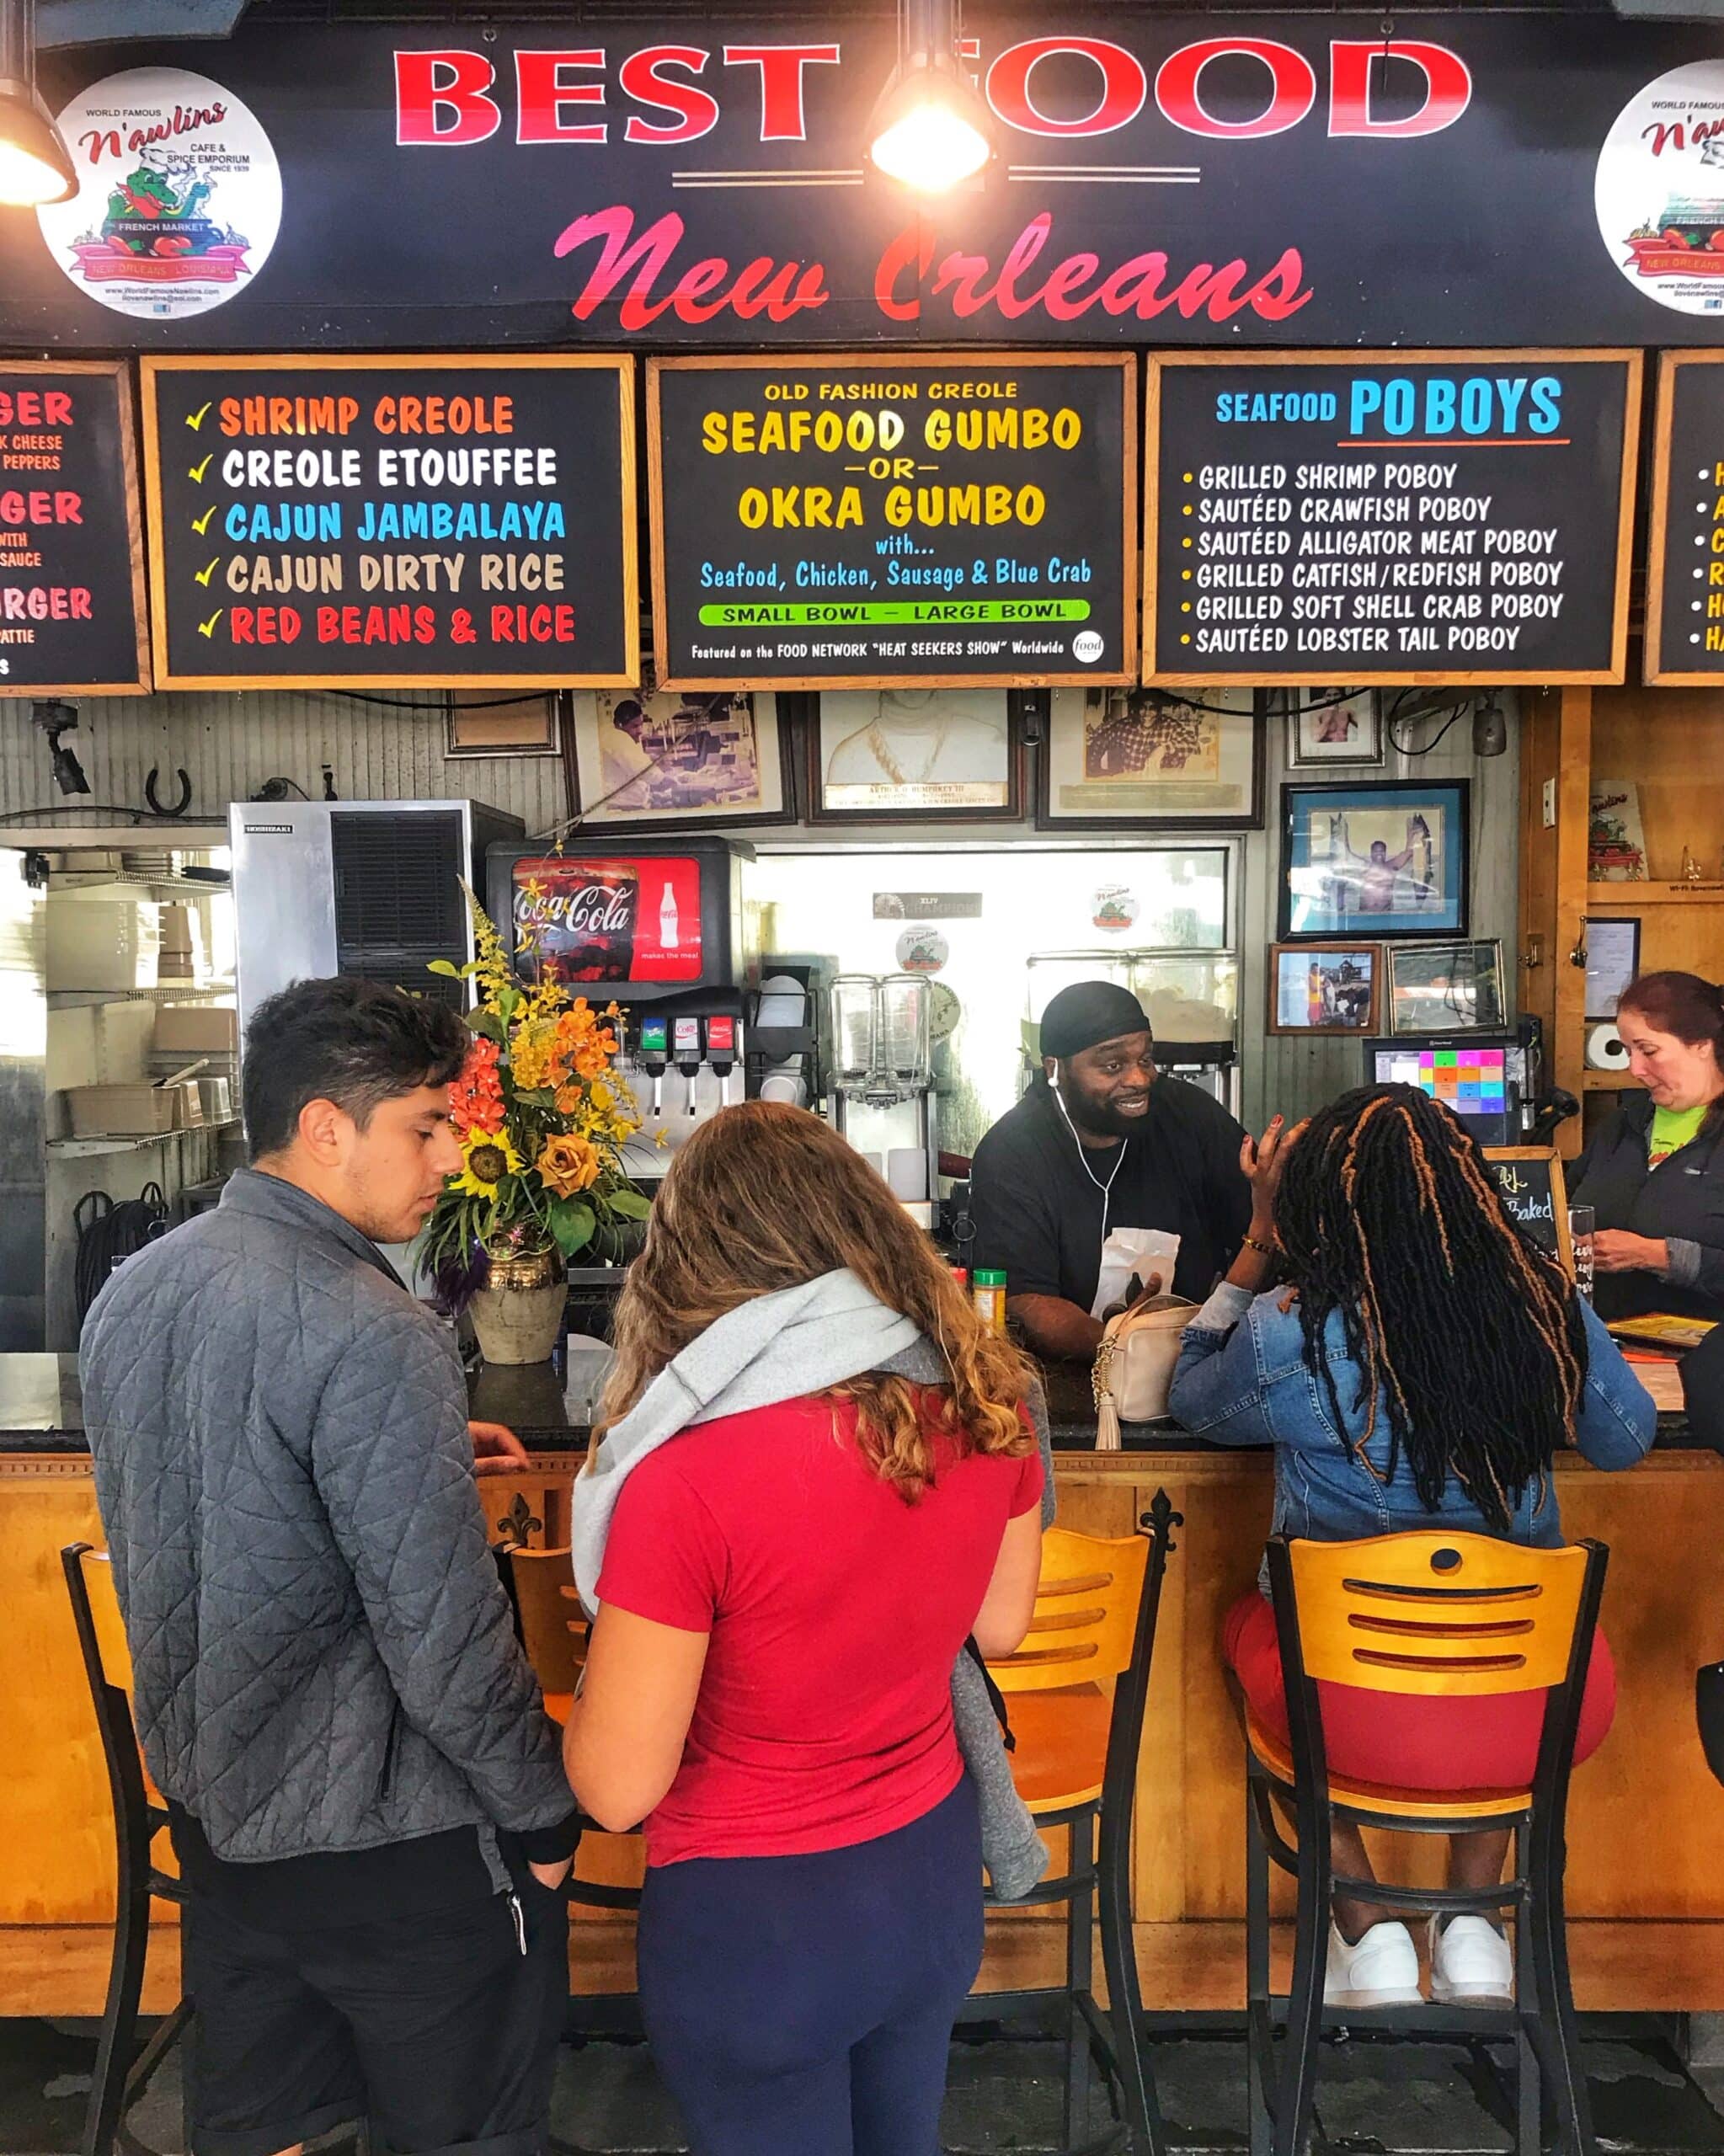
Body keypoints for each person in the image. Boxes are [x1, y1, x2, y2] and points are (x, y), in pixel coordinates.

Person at [80, 978, 580, 2156]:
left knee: (269, 2134)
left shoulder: (136, 1289)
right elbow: (448, 1650)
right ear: (324, 1128)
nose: (451, 1155)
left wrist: (407, 1447)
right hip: (395, 1856)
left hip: (223, 1827)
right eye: (425, 1126)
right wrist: (545, 1815)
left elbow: (215, 1476)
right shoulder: (371, 1327)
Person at [562, 1102, 1044, 2156]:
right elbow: (998, 1627)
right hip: (925, 1887)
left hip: (759, 1929)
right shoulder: (988, 1402)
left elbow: (614, 1787)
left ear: (693, 1267)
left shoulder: (683, 1478)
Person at [1167, 1085, 1655, 2010]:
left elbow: (1189, 1394)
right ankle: (1474, 1920)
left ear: (1321, 1200)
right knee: (1495, 1643)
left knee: (1243, 1626)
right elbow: (1623, 1440)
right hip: (1541, 1713)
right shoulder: (1539, 1299)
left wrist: (1260, 1230)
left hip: (1351, 1714)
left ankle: (1363, 1917)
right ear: (1466, 1182)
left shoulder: (1293, 1327)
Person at [968, 979, 1252, 1358]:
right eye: (1113, 1065)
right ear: (1055, 1069)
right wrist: (1123, 1345)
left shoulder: (1190, 1117)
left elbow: (1260, 1229)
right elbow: (1025, 1298)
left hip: (1194, 1363)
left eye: (1146, 1060)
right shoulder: (1012, 1152)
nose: (1139, 1079)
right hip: (1067, 1381)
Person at [1569, 970, 1724, 1322]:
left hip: (1705, 1361)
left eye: (1648, 1050)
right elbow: (1563, 1207)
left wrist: (1658, 1256)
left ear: (1702, 1044)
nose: (1634, 1068)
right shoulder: (1624, 1124)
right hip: (1607, 1346)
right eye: (1626, 1050)